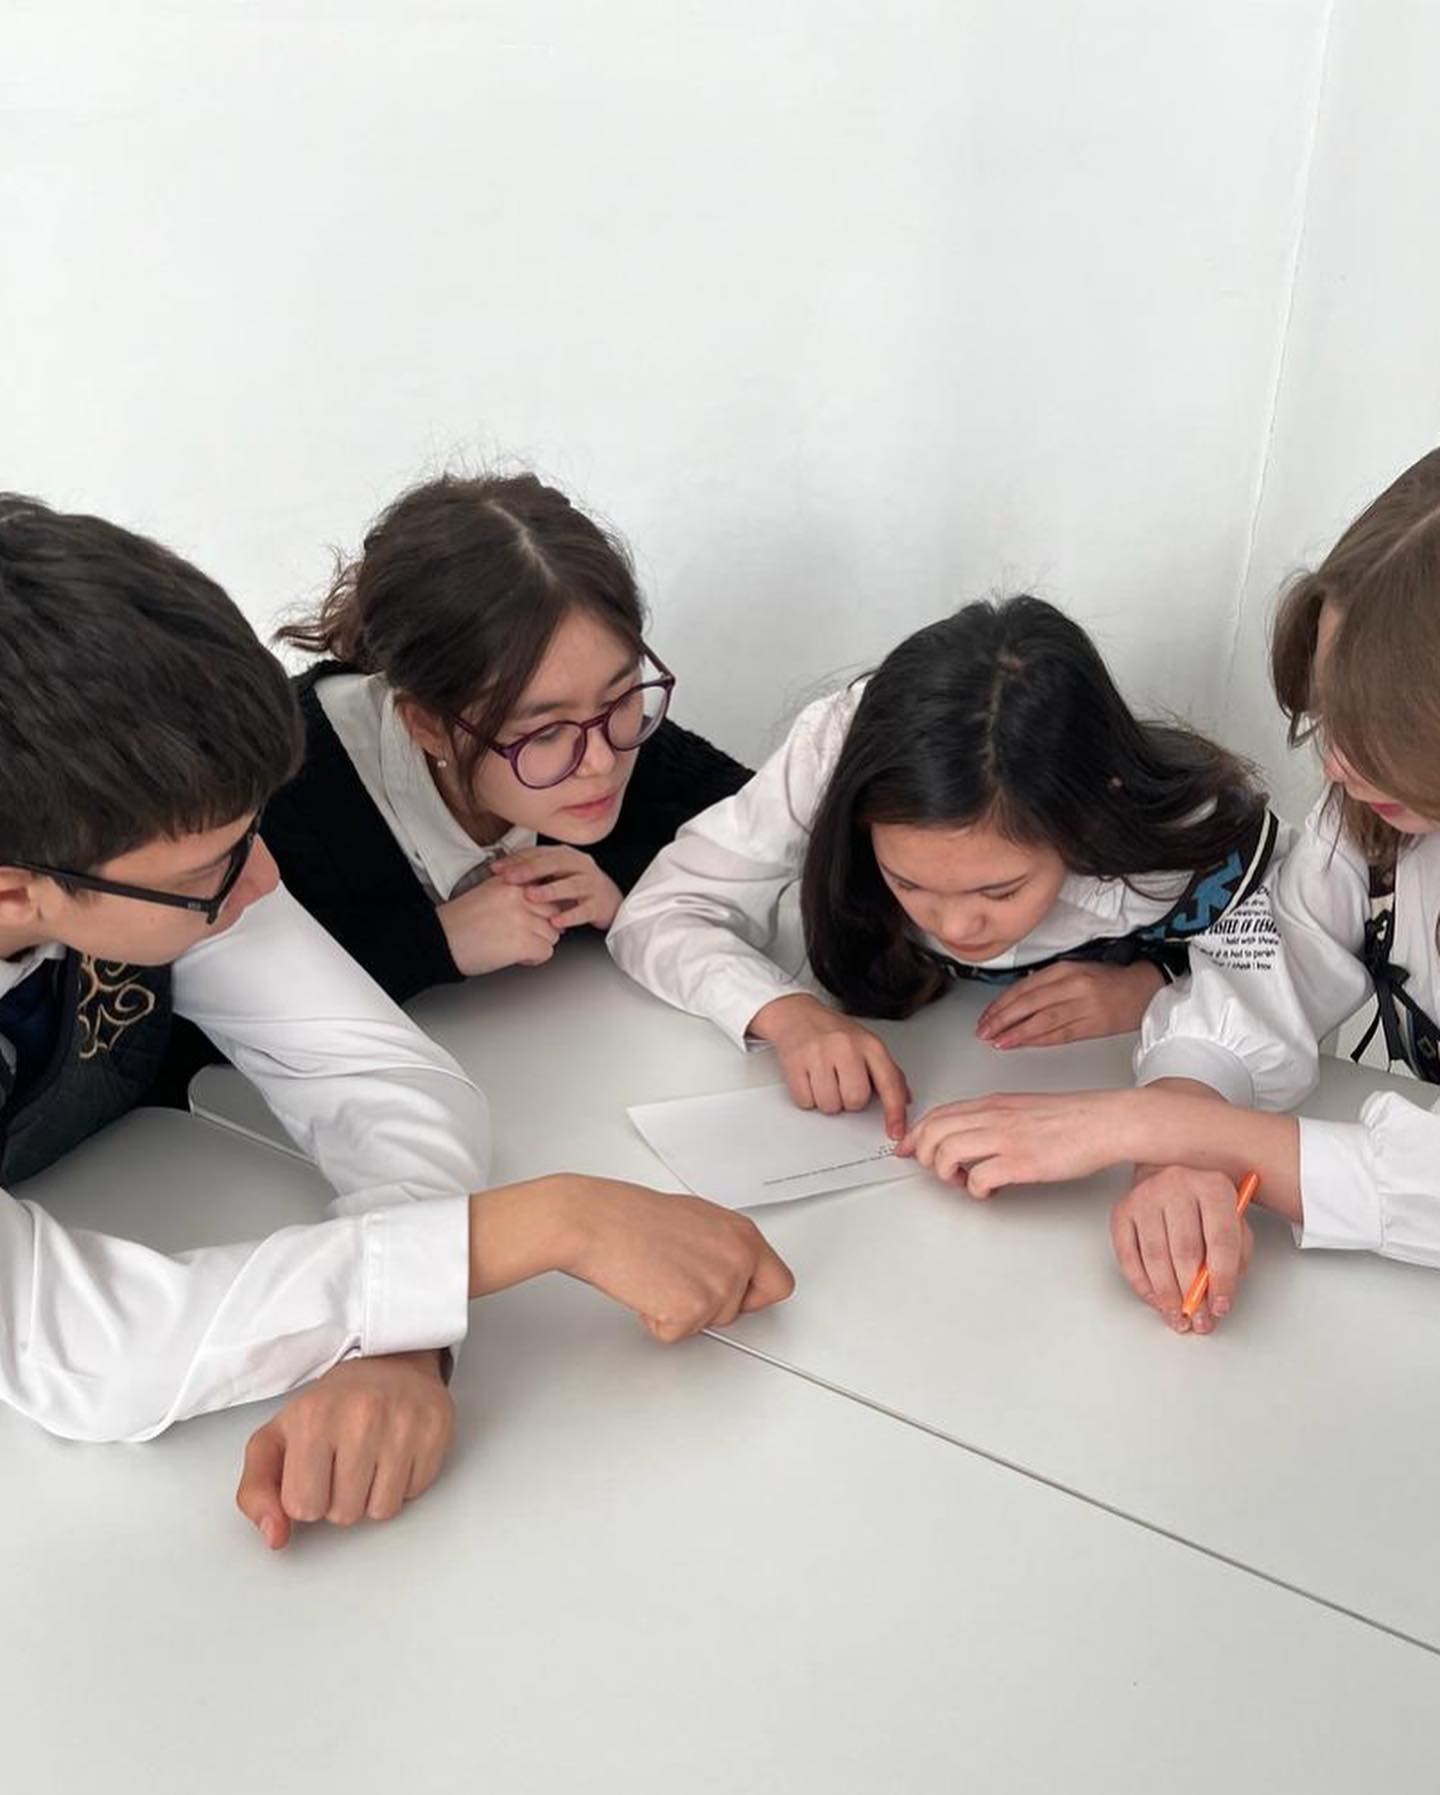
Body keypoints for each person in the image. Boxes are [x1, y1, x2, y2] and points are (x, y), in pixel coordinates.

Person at [0, 495, 792, 1546]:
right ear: (14, 892)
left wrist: (402, 1337)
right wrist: (548, 1221)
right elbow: (90, 1350)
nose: (263, 883)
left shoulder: (142, 841)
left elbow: (382, 1081)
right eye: (210, 871)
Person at [898, 449, 1440, 1333]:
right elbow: (1269, 964)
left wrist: (1146, 1128)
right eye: (1332, 715)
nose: (1336, 765)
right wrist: (1183, 1125)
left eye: (1388, 736)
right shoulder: (1368, 821)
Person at [609, 596, 1278, 1137]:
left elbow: (1279, 973)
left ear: (1085, 818)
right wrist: (785, 1012)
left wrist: (1153, 983)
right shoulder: (834, 754)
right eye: (907, 881)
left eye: (1001, 890)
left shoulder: (1189, 832)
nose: (954, 926)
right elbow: (663, 910)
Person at [262, 473, 750, 1004]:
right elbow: (214, 1016)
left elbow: (773, 828)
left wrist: (626, 887)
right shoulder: (280, 793)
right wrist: (433, 945)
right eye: (545, 733)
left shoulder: (602, 725)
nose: (601, 761)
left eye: (622, 695)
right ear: (428, 726)